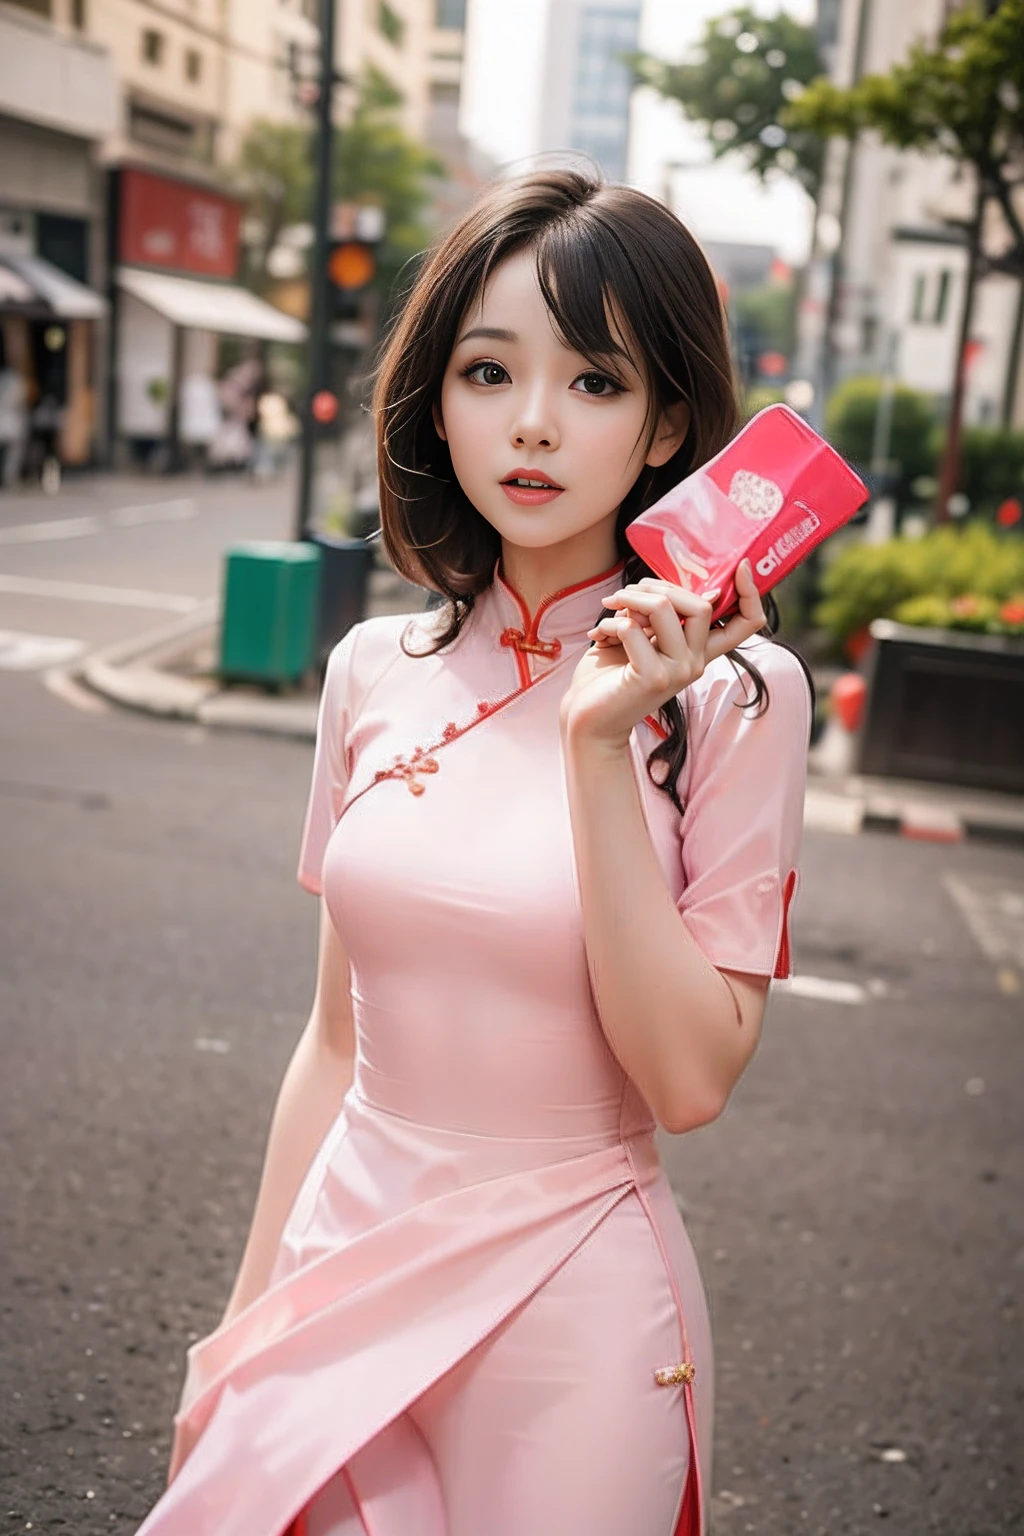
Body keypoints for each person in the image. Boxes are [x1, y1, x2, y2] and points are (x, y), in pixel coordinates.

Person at [137, 168, 811, 1536]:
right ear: (436, 401)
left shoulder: (742, 699)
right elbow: (333, 1039)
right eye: (489, 372)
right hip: (344, 1261)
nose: (534, 425)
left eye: (596, 383)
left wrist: (594, 748)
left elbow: (687, 1080)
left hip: (572, 1308)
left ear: (669, 418)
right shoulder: (373, 667)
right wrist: (245, 1322)